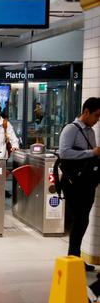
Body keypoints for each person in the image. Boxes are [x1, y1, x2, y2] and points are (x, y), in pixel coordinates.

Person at [58, 97, 100, 270]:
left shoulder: (90, 131)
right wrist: (91, 152)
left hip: (87, 182)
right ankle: (73, 259)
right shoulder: (71, 129)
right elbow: (64, 153)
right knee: (78, 220)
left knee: (83, 221)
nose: (97, 120)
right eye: (96, 115)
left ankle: (76, 257)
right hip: (73, 182)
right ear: (86, 112)